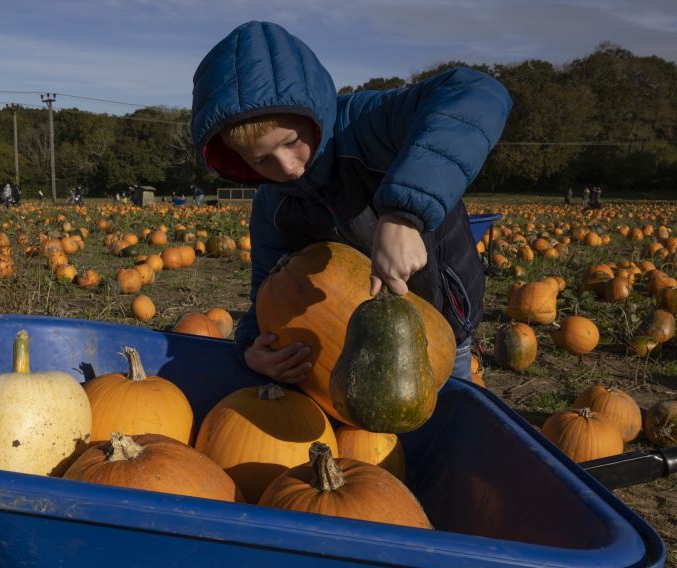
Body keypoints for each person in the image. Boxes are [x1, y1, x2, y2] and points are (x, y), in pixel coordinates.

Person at [190, 21, 511, 382]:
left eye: (291, 140)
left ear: (313, 112)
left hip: (445, 328)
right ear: (238, 159)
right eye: (261, 160)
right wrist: (251, 348)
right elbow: (268, 293)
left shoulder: (367, 123)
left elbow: (478, 93)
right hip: (357, 349)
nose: (288, 167)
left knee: (447, 423)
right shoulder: (271, 205)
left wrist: (405, 214)